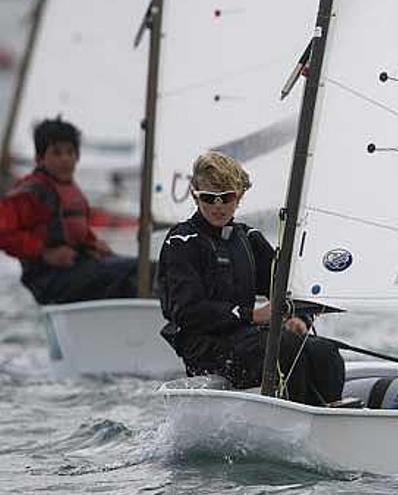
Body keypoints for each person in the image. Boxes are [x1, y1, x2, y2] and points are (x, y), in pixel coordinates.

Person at [157, 150, 344, 405]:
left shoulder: (248, 238)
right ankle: (297, 414)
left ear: (240, 196)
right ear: (194, 194)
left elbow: (286, 288)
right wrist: (252, 315)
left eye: (227, 197)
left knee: (325, 352)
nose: (218, 205)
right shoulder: (182, 242)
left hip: (245, 338)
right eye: (209, 198)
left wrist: (299, 317)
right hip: (206, 347)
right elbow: (186, 311)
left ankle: (329, 417)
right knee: (283, 347)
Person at [0, 118, 138, 304]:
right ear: (40, 158)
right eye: (56, 153)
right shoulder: (30, 193)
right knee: (136, 270)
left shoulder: (71, 191)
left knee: (146, 267)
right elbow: (4, 233)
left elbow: (77, 232)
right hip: (50, 279)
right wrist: (44, 253)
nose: (65, 159)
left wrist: (94, 245)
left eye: (70, 152)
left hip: (78, 269)